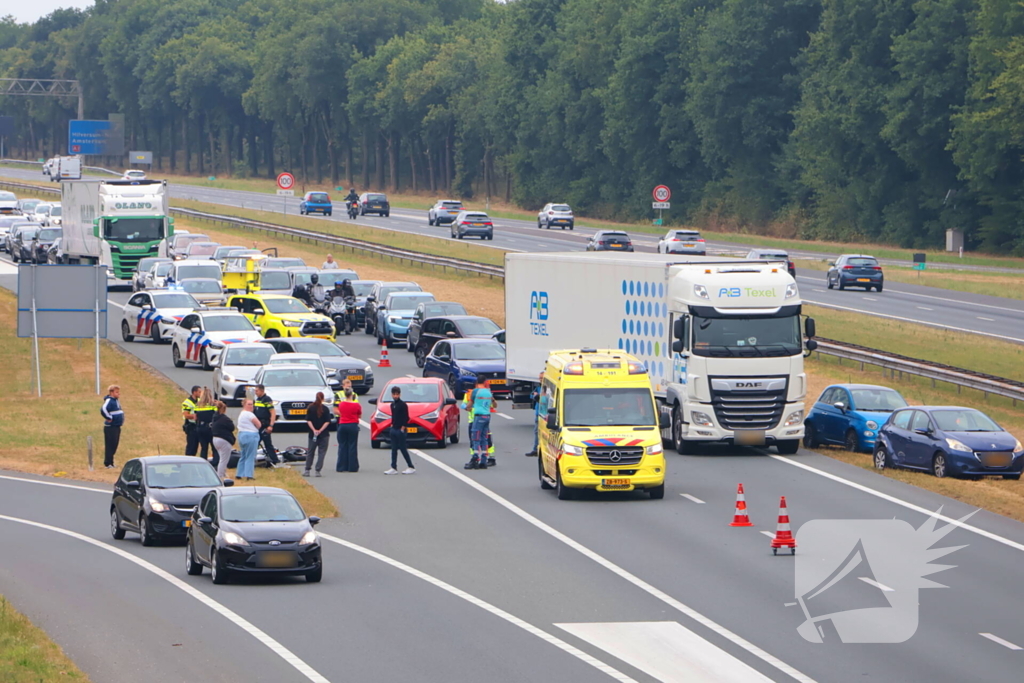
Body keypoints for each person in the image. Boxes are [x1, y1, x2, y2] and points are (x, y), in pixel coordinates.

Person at [385, 386, 415, 475]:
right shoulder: (392, 405)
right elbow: (393, 416)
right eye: (394, 394)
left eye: (397, 394)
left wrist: (403, 427)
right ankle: (393, 467)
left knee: (403, 449)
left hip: (400, 429)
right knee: (393, 449)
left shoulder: (403, 405)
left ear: (399, 394)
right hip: (394, 428)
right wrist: (391, 424)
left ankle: (411, 466)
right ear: (391, 395)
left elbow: (406, 417)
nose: (395, 396)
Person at [464, 378, 493, 470]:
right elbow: (494, 404)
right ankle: (484, 460)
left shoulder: (475, 391)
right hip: (487, 416)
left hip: (479, 416)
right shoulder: (488, 392)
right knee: (484, 438)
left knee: (476, 437)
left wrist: (467, 408)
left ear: (476, 383)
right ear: (485, 382)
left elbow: (470, 404)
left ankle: (475, 458)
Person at [252, 385, 283, 467]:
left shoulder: (267, 400)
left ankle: (274, 460)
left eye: (257, 391)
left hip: (265, 426)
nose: (255, 392)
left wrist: (271, 425)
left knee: (267, 444)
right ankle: (252, 460)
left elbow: (273, 413)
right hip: (258, 426)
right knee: (255, 443)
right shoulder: (258, 400)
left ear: (262, 391)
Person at [304, 392, 332, 477]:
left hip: (313, 435)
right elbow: (327, 421)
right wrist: (320, 430)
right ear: (323, 399)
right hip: (324, 435)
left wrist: (314, 430)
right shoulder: (325, 409)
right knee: (322, 453)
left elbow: (308, 421)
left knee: (310, 452)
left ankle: (307, 470)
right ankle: (318, 470)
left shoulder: (310, 408)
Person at [336, 387, 362, 472]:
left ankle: (341, 466)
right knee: (352, 446)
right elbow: (359, 415)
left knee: (342, 446)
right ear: (352, 395)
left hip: (342, 425)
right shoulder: (356, 405)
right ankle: (352, 467)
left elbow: (340, 413)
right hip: (352, 425)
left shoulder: (341, 404)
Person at [236, 398, 261, 480]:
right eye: (249, 404)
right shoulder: (250, 414)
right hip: (251, 435)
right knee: (250, 456)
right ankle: (249, 475)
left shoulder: (241, 414)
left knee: (243, 455)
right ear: (244, 405)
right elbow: (259, 424)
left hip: (241, 434)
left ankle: (239, 473)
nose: (251, 406)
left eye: (252, 404)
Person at [210, 401, 235, 479]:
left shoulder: (214, 418)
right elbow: (232, 427)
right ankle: (220, 475)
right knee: (224, 459)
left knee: (221, 457)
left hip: (215, 439)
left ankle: (222, 473)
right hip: (224, 440)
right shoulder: (225, 419)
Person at [100, 384, 124, 469]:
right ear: (111, 392)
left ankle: (111, 462)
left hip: (117, 426)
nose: (118, 394)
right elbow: (103, 409)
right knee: (110, 445)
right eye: (116, 392)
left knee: (115, 445)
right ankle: (108, 463)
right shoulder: (109, 400)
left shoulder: (116, 400)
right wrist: (109, 417)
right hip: (111, 427)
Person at [525, 372, 546, 457]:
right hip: (539, 413)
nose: (540, 380)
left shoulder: (548, 388)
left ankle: (542, 449)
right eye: (539, 378)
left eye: (542, 378)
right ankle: (536, 449)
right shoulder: (538, 387)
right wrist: (535, 395)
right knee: (537, 432)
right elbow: (531, 395)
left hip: (545, 415)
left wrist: (541, 396)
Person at [195, 387, 216, 460]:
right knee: (214, 447)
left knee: (204, 448)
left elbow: (196, 416)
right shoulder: (212, 405)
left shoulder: (198, 405)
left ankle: (203, 462)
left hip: (200, 428)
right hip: (210, 428)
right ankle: (215, 462)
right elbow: (216, 415)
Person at [182, 385, 201, 456]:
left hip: (198, 425)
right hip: (191, 426)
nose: (200, 393)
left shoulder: (199, 401)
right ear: (194, 392)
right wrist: (195, 416)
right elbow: (186, 415)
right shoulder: (187, 402)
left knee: (196, 446)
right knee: (191, 446)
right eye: (199, 392)